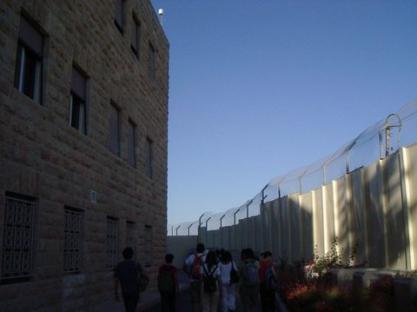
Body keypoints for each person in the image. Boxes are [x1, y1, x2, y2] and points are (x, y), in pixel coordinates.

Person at [114, 247, 148, 312]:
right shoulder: (136, 264)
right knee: (133, 308)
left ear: (123, 255)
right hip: (135, 291)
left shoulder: (119, 266)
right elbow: (145, 276)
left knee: (128, 308)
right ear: (132, 255)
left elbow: (116, 281)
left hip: (125, 291)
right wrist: (142, 285)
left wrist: (116, 293)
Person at [185, 243, 206, 312]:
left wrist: (189, 274)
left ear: (196, 249)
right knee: (203, 300)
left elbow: (184, 266)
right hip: (203, 281)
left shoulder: (191, 257)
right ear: (203, 250)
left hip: (193, 280)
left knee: (195, 301)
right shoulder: (206, 257)